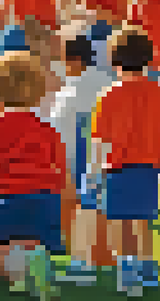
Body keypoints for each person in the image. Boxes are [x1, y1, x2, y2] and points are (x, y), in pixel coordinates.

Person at [89, 27, 160, 296]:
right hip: (150, 166)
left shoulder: (108, 96)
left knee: (122, 221)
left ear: (114, 59)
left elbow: (99, 140)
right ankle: (148, 269)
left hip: (116, 167)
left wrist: (92, 174)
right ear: (148, 58)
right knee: (143, 219)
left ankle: (128, 271)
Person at [0, 52, 69, 301]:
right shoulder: (48, 128)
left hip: (10, 198)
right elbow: (61, 171)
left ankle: (23, 274)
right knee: (35, 242)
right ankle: (35, 279)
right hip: (46, 200)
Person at [49, 28, 116, 286]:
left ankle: (81, 264)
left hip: (79, 158)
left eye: (62, 59)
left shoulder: (69, 93)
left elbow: (59, 131)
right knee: (102, 209)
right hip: (110, 158)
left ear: (75, 61)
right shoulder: (108, 82)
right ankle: (104, 257)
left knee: (79, 210)